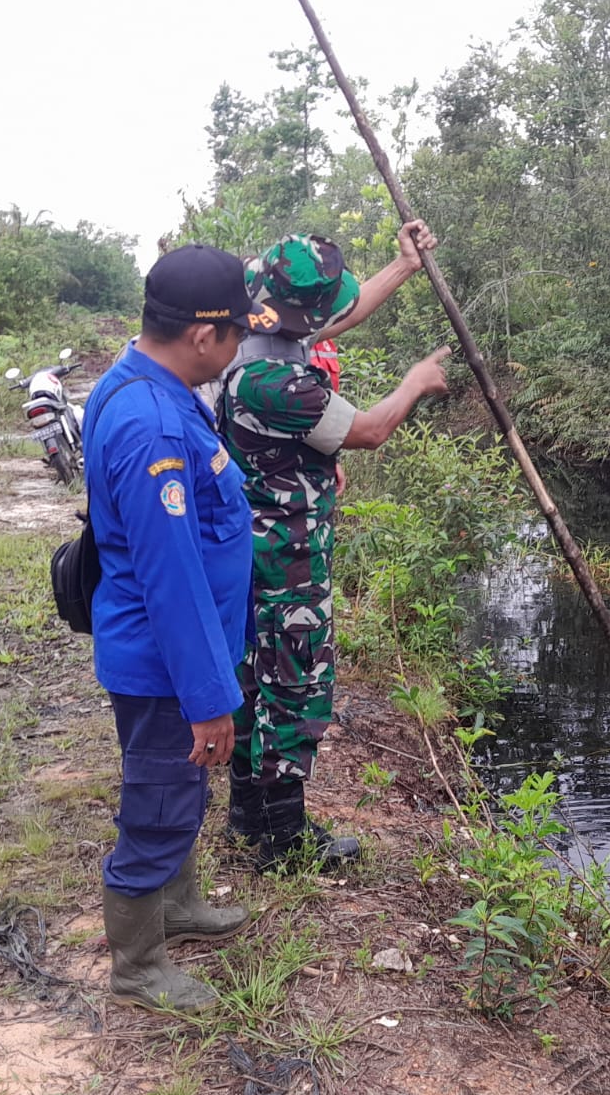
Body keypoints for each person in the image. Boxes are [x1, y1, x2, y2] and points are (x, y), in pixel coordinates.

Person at [222, 223, 450, 871]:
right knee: (296, 678)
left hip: (249, 542)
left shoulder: (248, 323)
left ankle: (247, 814)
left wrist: (403, 267)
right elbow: (371, 430)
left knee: (254, 675)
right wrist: (414, 381)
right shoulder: (275, 382)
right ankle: (283, 837)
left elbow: (329, 318)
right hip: (283, 553)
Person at [86, 244, 277, 1012]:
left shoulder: (150, 383)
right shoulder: (151, 424)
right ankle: (137, 969)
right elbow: (171, 577)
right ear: (204, 337)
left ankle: (179, 906)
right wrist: (208, 695)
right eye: (236, 334)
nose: (238, 349)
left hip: (177, 654)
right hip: (169, 665)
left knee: (180, 791)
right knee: (158, 804)